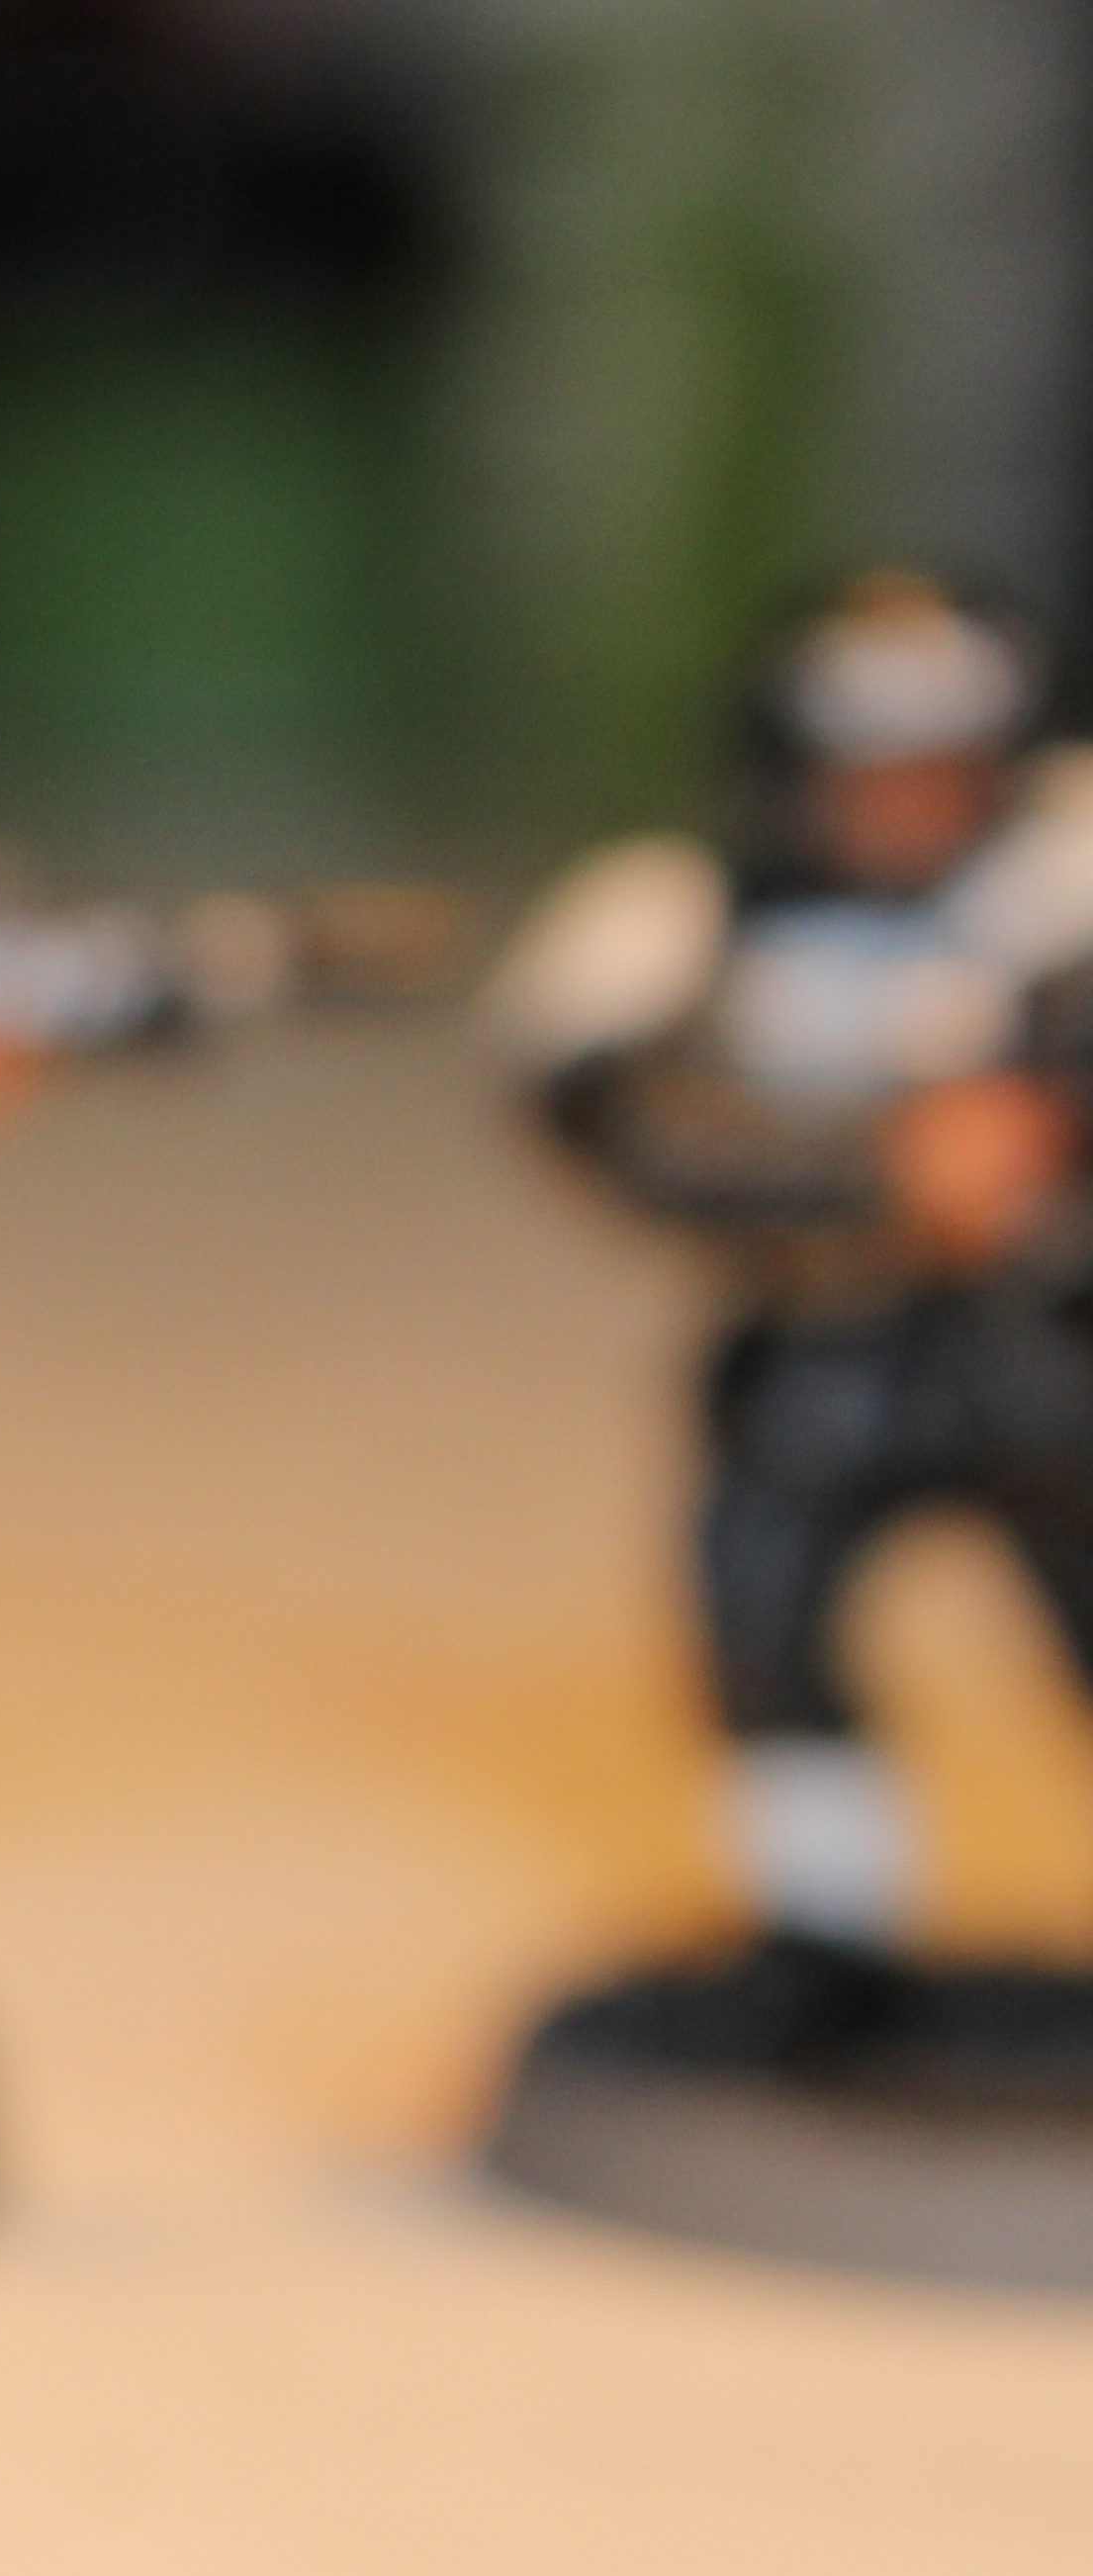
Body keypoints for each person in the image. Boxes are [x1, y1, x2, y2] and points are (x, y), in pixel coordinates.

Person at [488, 566, 1093, 2051]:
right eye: (867, 772)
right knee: (767, 1634)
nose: (907, 807)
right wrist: (865, 1171)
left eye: (944, 769)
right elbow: (615, 1121)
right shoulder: (683, 915)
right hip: (820, 1352)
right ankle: (823, 1941)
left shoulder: (1057, 885)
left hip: (1044, 1349)